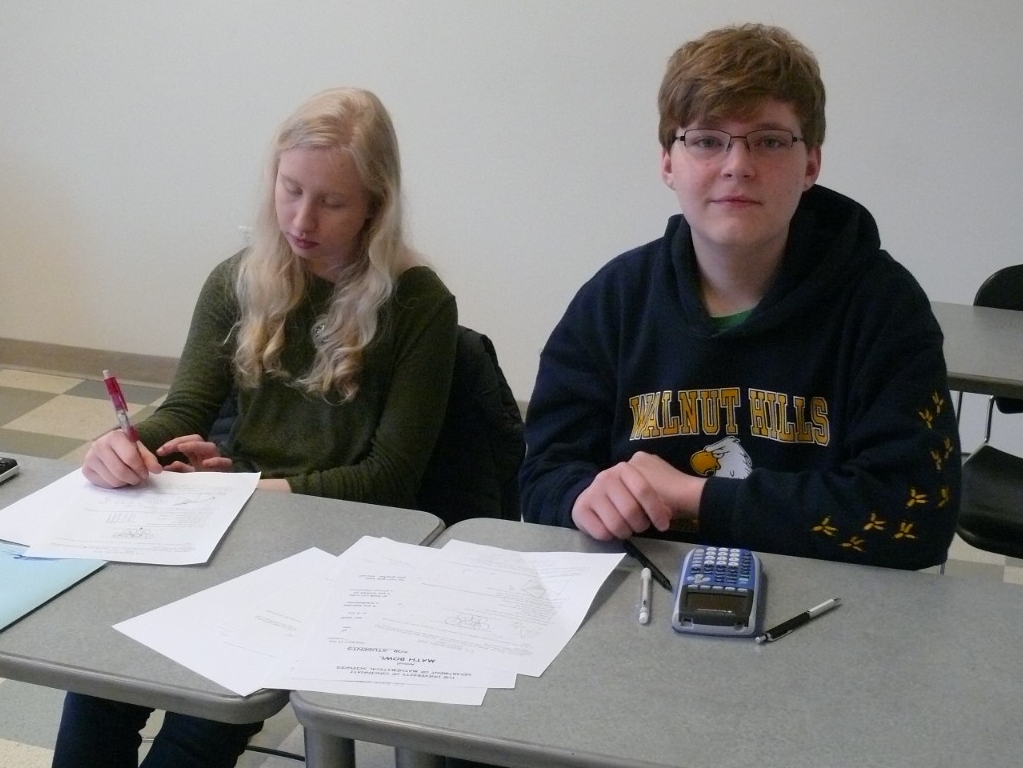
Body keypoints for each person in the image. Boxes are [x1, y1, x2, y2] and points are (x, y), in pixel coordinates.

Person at [52, 86, 457, 768]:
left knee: (202, 717)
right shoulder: (237, 281)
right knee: (99, 680)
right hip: (232, 521)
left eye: (332, 202)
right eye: (290, 188)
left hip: (332, 545)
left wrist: (243, 490)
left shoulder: (419, 305)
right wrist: (123, 444)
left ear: (374, 207)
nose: (302, 219)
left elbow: (389, 479)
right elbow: (186, 409)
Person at [519, 23, 960, 571]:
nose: (737, 166)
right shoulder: (612, 302)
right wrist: (580, 500)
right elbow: (541, 479)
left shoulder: (885, 308)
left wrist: (694, 497)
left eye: (770, 141)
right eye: (707, 141)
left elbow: (916, 519)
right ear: (667, 163)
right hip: (635, 611)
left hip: (830, 617)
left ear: (812, 165)